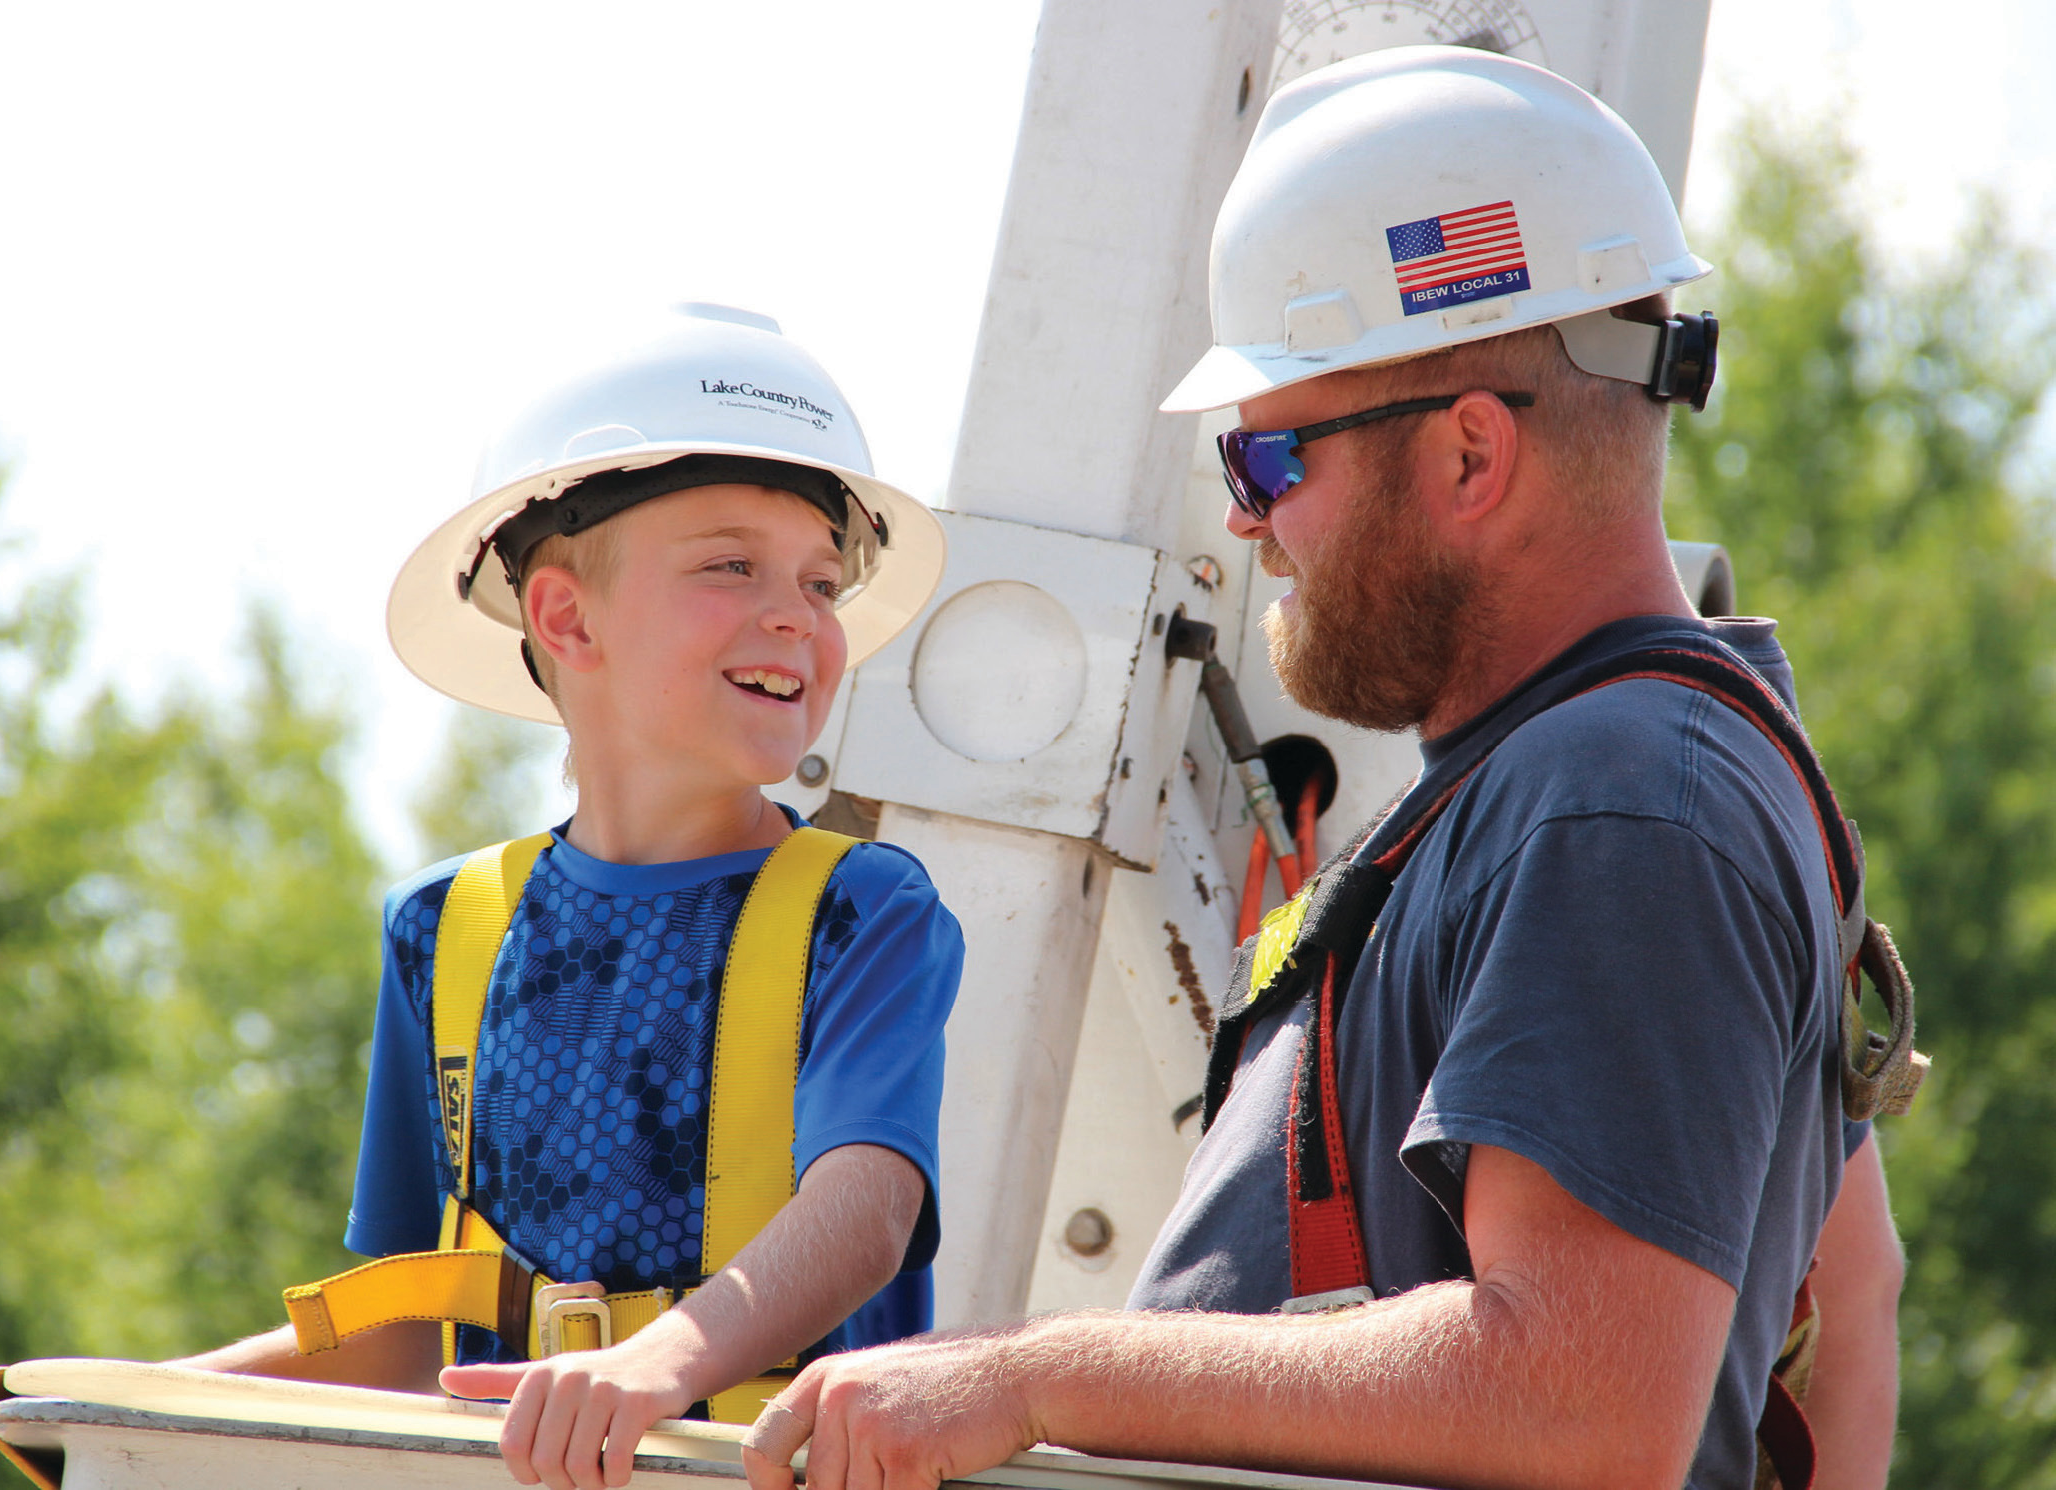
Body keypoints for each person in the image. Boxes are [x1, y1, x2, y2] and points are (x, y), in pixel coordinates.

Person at [738, 48, 1909, 1490]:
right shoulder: (1594, 785)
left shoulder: (1621, 800)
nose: (1246, 526)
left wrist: (1030, 1373)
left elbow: (1579, 1397)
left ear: (1471, 455)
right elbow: (1857, 1293)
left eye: (1266, 463)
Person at [177, 303, 963, 1490]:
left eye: (818, 578)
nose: (797, 613)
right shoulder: (442, 933)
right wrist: (125, 1395)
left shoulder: (864, 910)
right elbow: (407, 1327)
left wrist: (652, 1364)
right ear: (564, 614)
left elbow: (864, 1215)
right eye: (730, 563)